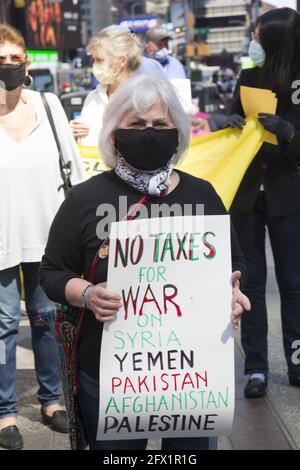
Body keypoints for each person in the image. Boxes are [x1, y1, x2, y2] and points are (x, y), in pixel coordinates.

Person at [40, 74, 250, 450]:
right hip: (107, 370)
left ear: (177, 134)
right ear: (114, 133)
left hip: (193, 371)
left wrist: (233, 291)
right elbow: (52, 273)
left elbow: (235, 263)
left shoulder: (203, 195)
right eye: (136, 124)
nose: (149, 133)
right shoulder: (84, 200)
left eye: (160, 125)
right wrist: (87, 294)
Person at [0, 24, 86, 450]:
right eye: (2, 59)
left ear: (27, 63)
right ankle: (5, 412)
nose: (10, 66)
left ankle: (53, 401)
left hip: (47, 235)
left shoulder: (49, 105)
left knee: (47, 321)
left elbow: (74, 168)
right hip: (1, 237)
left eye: (17, 58)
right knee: (1, 326)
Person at [224, 8, 300, 397]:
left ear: (276, 39)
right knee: (250, 283)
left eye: (257, 35)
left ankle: (296, 362)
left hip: (290, 194)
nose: (252, 42)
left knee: (293, 284)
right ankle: (256, 369)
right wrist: (228, 122)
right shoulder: (249, 75)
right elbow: (233, 116)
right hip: (248, 196)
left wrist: (289, 132)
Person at [70, 25, 143, 146]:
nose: (95, 66)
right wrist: (73, 134)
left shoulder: (145, 98)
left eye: (99, 60)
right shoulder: (93, 97)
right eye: (93, 60)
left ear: (121, 61)